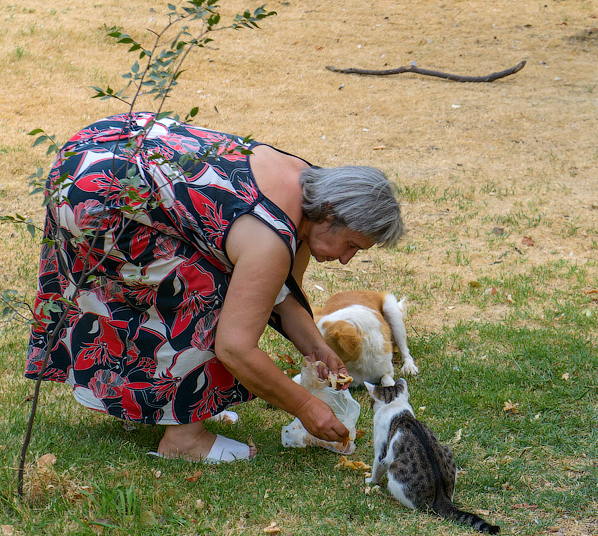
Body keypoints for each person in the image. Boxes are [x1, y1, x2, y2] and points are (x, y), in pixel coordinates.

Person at [24, 111, 404, 462]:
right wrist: (305, 407)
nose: (346, 259)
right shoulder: (269, 239)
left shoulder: (306, 188)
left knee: (227, 286)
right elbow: (235, 347)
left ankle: (161, 403)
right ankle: (184, 440)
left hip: (99, 146)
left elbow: (282, 292)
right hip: (98, 195)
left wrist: (316, 348)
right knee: (213, 291)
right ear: (332, 214)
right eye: (351, 245)